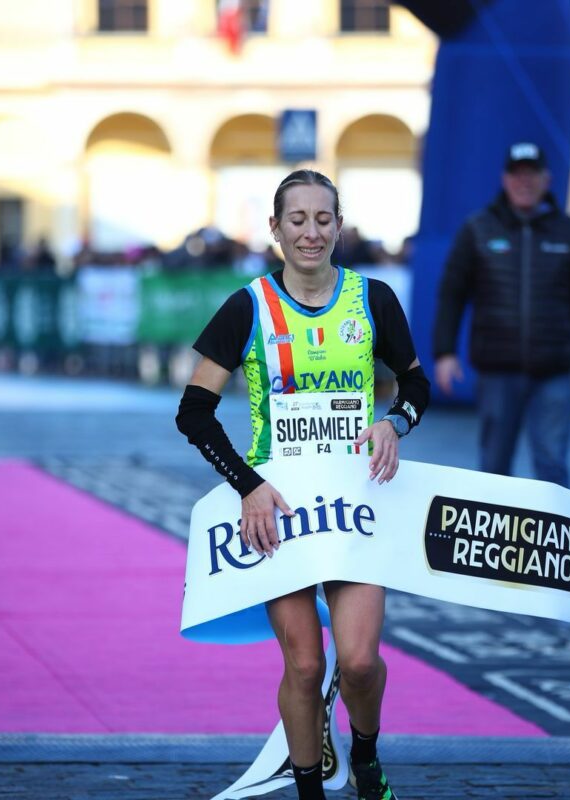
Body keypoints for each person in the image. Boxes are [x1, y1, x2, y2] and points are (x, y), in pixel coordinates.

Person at [176, 169, 429, 800]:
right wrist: (248, 486)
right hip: (281, 512)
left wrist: (394, 422)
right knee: (307, 664)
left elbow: (417, 385)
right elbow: (194, 411)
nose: (310, 233)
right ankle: (311, 790)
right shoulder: (248, 307)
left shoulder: (374, 300)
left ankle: (365, 754)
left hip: (356, 508)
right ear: (275, 229)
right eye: (297, 220)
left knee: (360, 661)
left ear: (339, 227)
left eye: (323, 220)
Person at [432, 141, 570, 488]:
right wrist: (444, 353)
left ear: (546, 179)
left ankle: (556, 542)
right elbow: (452, 293)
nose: (524, 182)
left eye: (532, 174)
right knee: (495, 468)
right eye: (517, 174)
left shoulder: (569, 232)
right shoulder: (478, 229)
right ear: (505, 178)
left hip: (554, 371)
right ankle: (499, 543)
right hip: (498, 371)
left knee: (552, 466)